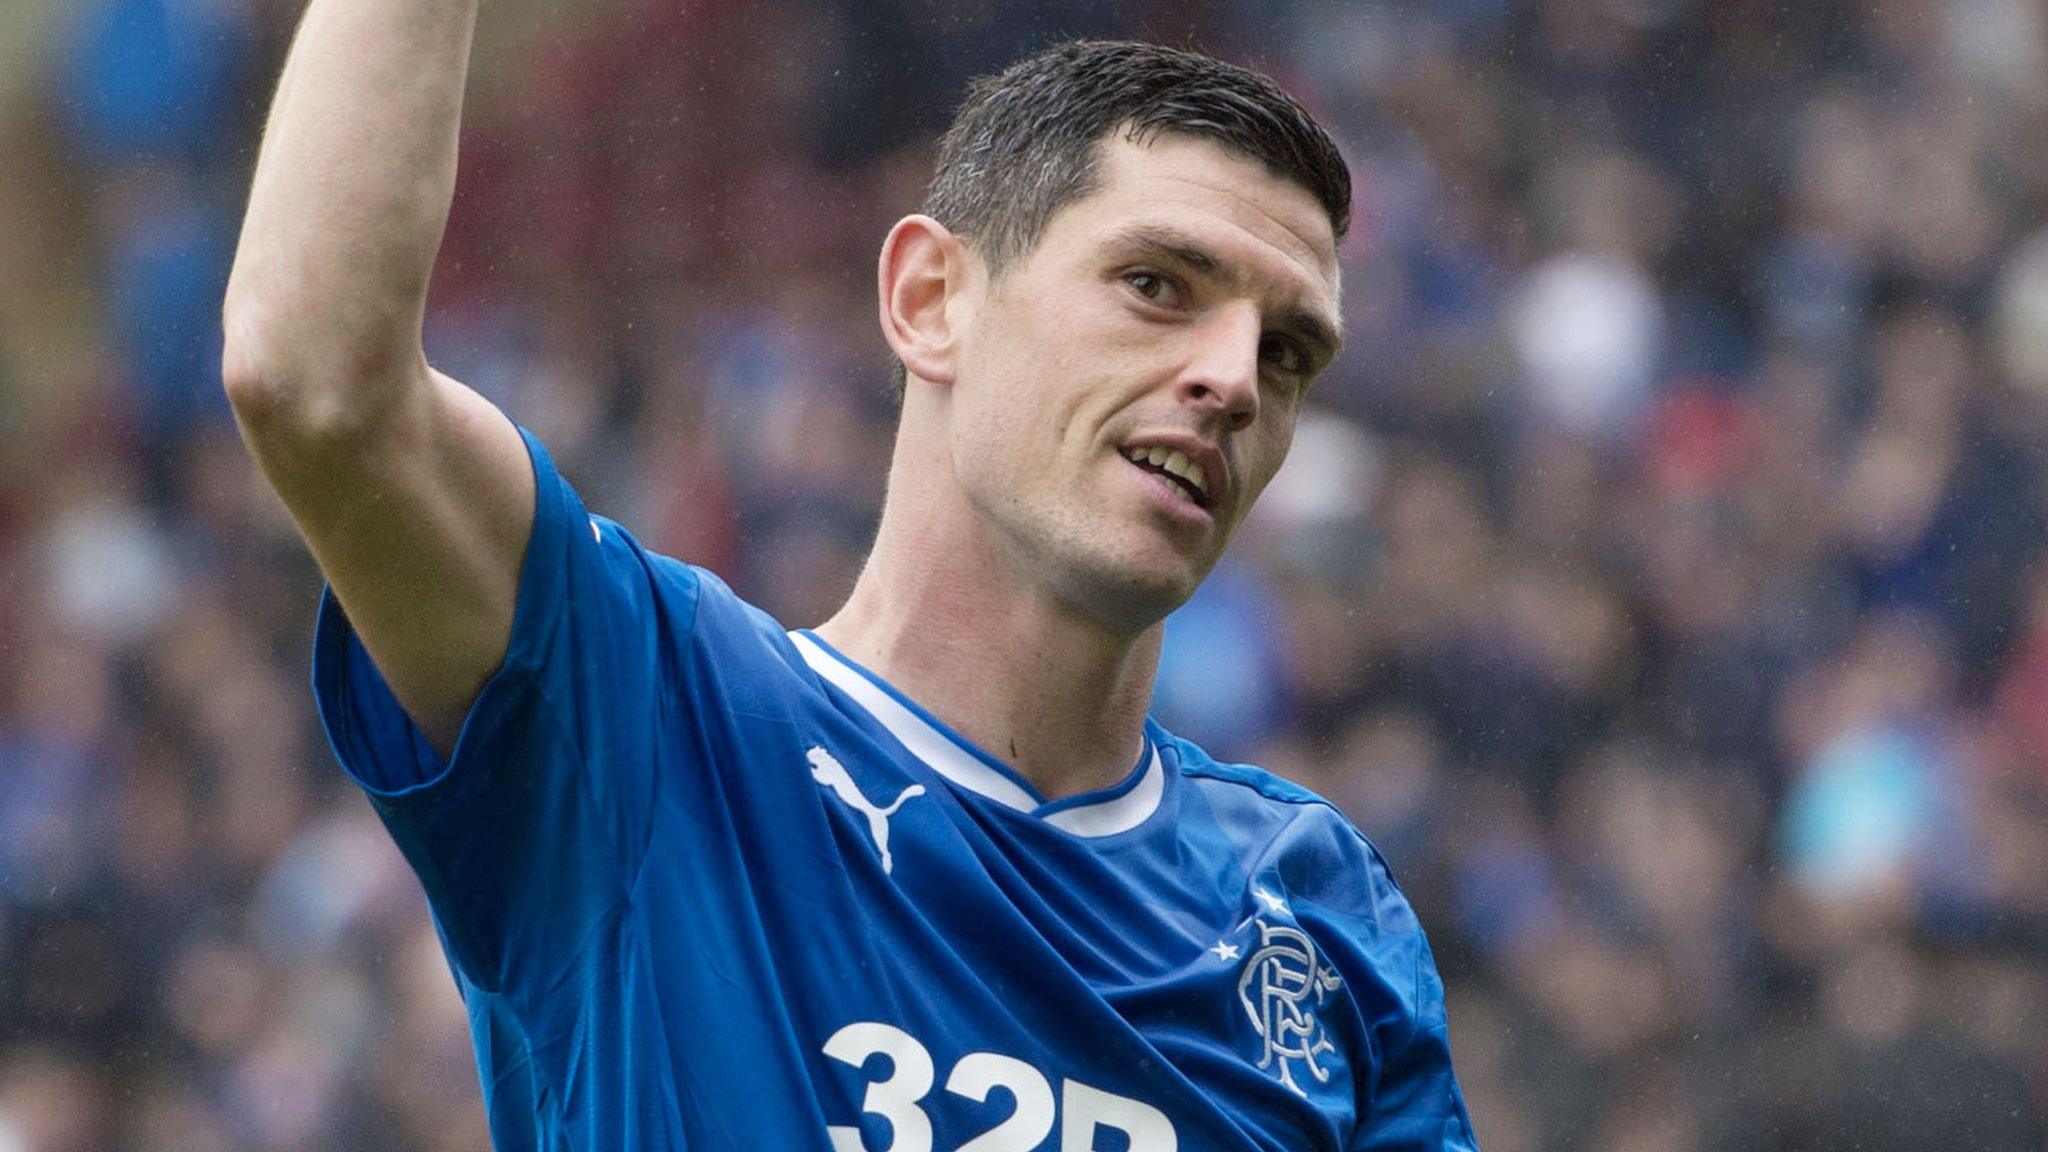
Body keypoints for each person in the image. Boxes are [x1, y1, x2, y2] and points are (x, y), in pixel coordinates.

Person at [221, 1, 1479, 1147]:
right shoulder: (647, 710)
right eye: (1156, 286)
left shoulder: (1316, 917)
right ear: (930, 297)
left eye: (1288, 352)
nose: (1231, 379)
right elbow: (321, 386)